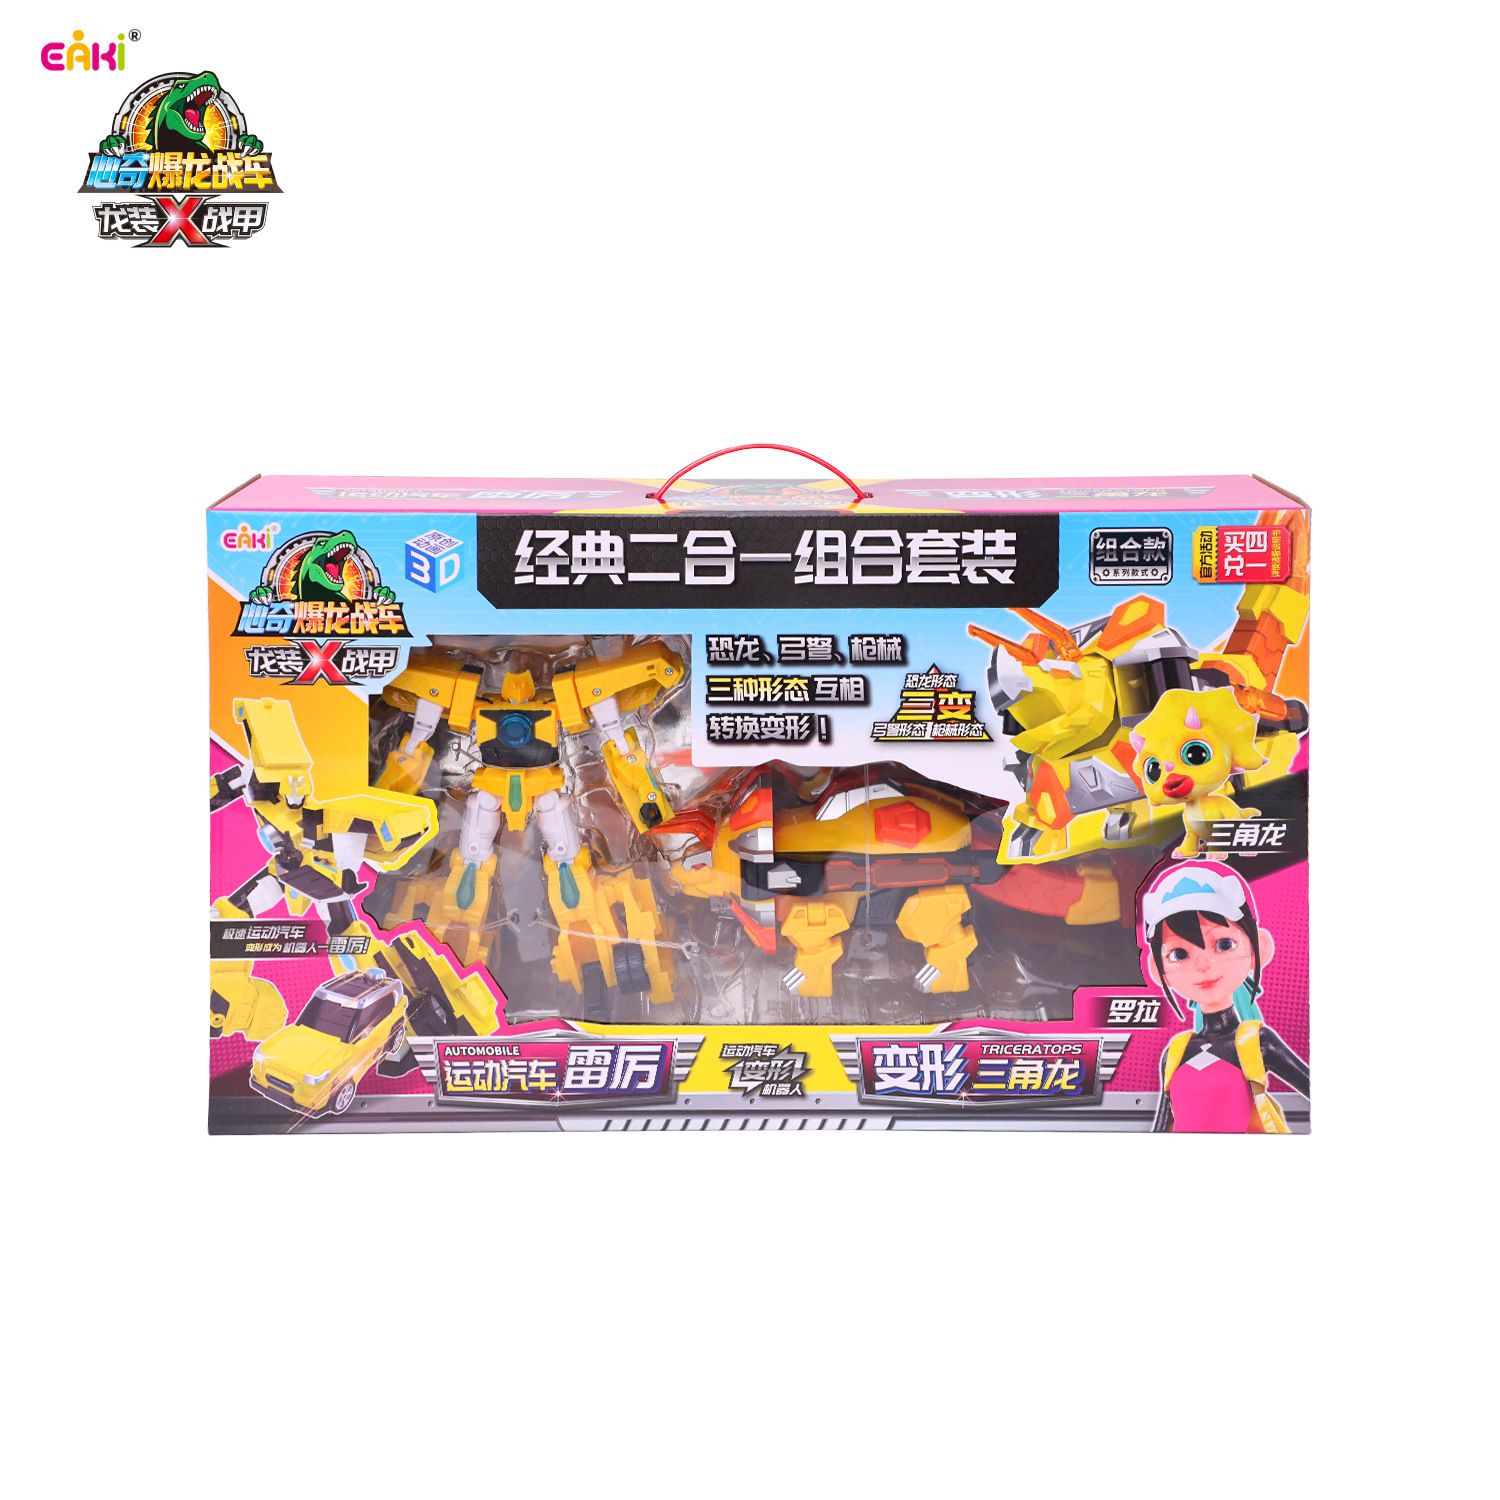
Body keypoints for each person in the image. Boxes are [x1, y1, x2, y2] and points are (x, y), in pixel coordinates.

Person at [1142, 864, 1309, 1133]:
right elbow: (1162, 1127)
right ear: (1158, 971)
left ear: (1257, 949)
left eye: (1224, 944)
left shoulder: (1257, 1043)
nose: (1203, 965)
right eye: (1179, 954)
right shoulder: (1175, 1052)